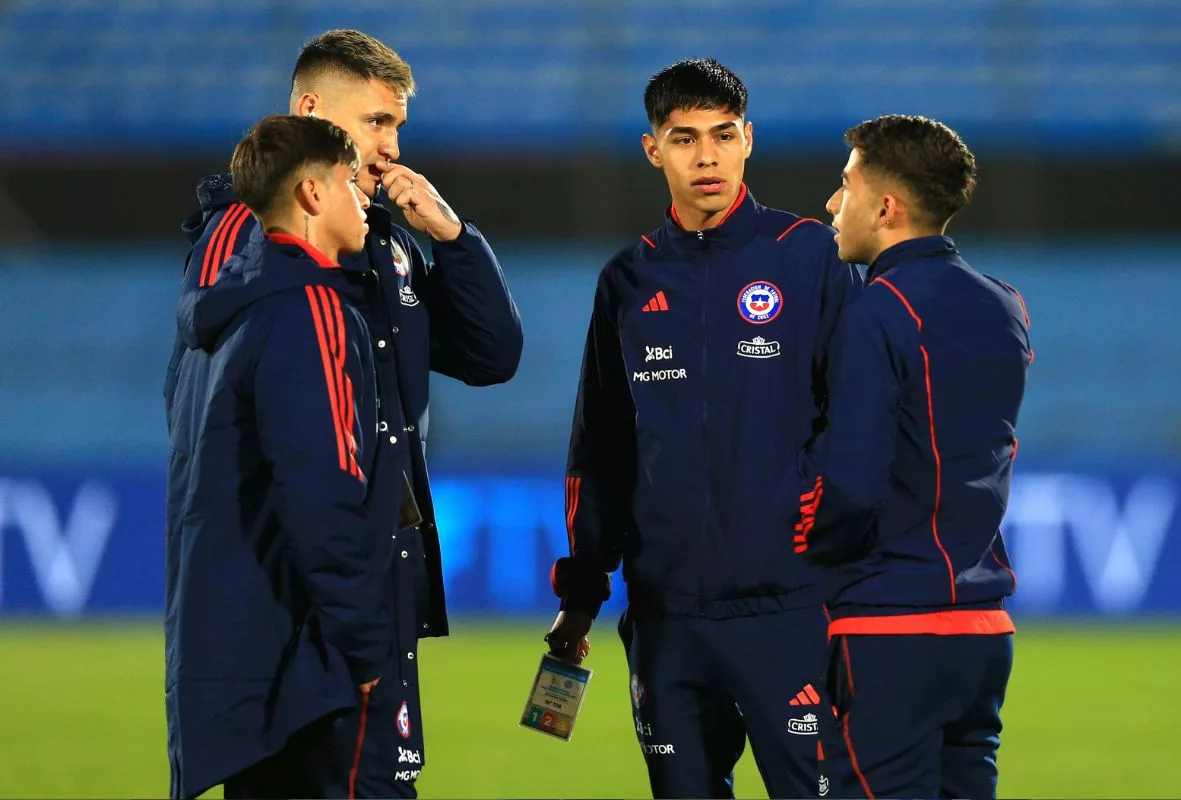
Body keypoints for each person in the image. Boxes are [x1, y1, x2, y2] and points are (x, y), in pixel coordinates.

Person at [164, 30, 523, 800]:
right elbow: (274, 414)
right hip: (303, 590)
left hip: (359, 578)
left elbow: (492, 356)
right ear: (312, 112)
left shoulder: (381, 239)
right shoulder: (258, 237)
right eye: (375, 124)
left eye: (397, 126)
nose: (391, 148)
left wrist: (452, 238)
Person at [544, 59, 861, 799]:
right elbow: (601, 445)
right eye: (684, 138)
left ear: (749, 140)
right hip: (667, 618)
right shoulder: (628, 279)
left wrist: (833, 543)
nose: (707, 156)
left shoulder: (811, 254)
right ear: (654, 149)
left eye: (723, 135)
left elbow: (859, 418)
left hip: (792, 610)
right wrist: (584, 588)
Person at [795, 114, 1031, 799]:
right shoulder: (1006, 305)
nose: (834, 204)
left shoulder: (877, 310)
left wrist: (799, 558)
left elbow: (850, 483)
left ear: (886, 206)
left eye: (846, 186)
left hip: (892, 626)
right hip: (982, 629)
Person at [165, 114, 391, 797]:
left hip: (234, 647)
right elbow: (322, 492)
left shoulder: (233, 310)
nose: (364, 201)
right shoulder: (311, 309)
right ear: (313, 196)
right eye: (351, 184)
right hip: (299, 659)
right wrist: (361, 638)